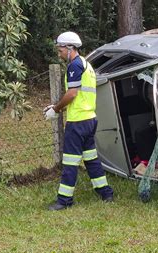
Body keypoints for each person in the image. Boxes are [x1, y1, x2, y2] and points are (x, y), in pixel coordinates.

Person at [44, 31, 114, 211]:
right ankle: (106, 193)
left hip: (78, 123)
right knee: (91, 159)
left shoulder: (74, 66)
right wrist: (57, 105)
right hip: (90, 119)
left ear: (69, 48)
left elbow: (73, 93)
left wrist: (56, 109)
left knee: (70, 162)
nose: (59, 54)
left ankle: (64, 200)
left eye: (60, 50)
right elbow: (80, 95)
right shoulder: (86, 64)